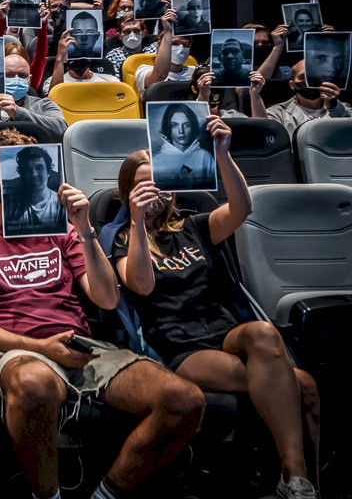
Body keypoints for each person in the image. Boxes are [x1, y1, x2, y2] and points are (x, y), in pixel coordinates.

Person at [0, 128, 205, 499]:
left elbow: (107, 299)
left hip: (80, 345)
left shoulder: (64, 231)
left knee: (184, 399)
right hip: (17, 351)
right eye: (16, 174)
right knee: (34, 382)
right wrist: (43, 348)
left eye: (38, 171)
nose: (29, 180)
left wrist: (83, 228)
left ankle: (106, 494)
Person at [111, 143, 321, 499]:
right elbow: (142, 286)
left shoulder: (193, 225)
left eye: (158, 183)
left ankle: (303, 483)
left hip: (223, 330)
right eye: (143, 185)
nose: (153, 193)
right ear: (127, 192)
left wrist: (223, 153)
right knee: (303, 386)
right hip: (180, 344)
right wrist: (137, 220)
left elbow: (243, 208)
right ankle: (297, 480)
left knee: (263, 333)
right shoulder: (123, 239)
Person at [0, 48, 68, 138]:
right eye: (9, 75)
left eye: (22, 75)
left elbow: (61, 129)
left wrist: (17, 112)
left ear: (29, 80)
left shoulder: (44, 104)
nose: (16, 79)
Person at [266, 59, 351, 135]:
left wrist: (334, 108)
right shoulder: (277, 114)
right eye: (303, 77)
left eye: (314, 76)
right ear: (292, 85)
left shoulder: (344, 109)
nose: (309, 82)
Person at [152, 103, 216, 190]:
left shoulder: (205, 157)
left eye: (186, 125)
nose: (181, 131)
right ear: (168, 128)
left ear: (193, 127)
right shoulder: (155, 161)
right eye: (175, 125)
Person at [135, 7, 196, 95]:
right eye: (174, 44)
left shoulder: (194, 72)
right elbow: (160, 76)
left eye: (185, 45)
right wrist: (168, 31)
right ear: (159, 45)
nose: (181, 48)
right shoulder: (143, 70)